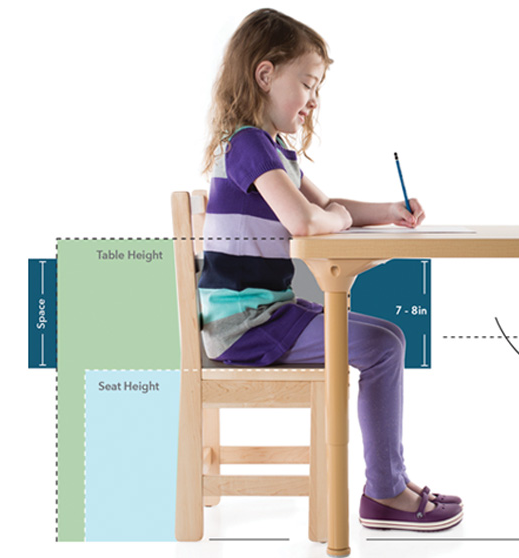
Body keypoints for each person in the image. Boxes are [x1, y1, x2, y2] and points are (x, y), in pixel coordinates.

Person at [199, 8, 462, 532]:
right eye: (308, 83)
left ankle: (391, 479)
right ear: (266, 74)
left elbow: (328, 204)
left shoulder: (272, 149)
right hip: (245, 328)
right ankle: (384, 494)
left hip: (262, 316)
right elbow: (305, 219)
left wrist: (387, 211)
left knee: (387, 335)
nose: (314, 99)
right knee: (384, 346)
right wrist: (336, 219)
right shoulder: (248, 143)